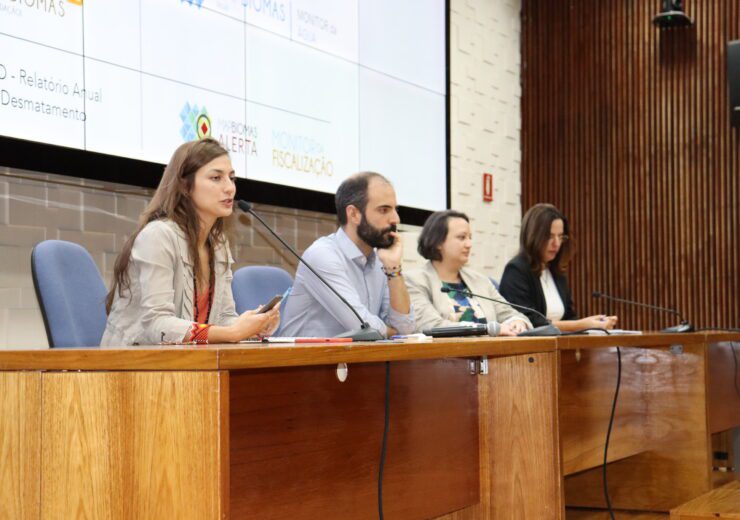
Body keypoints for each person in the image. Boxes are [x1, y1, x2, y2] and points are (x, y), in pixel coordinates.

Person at [102, 138, 279, 346]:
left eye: (231, 178)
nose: (229, 188)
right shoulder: (158, 236)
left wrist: (253, 326)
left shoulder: (218, 244)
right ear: (186, 186)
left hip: (184, 365)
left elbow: (223, 320)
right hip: (131, 366)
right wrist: (232, 333)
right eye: (216, 178)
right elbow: (156, 326)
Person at [278, 172, 415, 338]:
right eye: (384, 210)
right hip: (306, 361)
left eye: (395, 210)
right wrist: (392, 333)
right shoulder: (322, 255)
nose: (395, 219)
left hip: (354, 360)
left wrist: (394, 268)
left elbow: (406, 328)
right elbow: (363, 327)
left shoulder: (382, 260)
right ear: (354, 214)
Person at [405, 210, 531, 335]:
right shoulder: (414, 281)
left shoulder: (481, 281)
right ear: (438, 242)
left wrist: (518, 322)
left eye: (470, 237)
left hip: (489, 353)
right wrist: (489, 329)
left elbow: (510, 314)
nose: (469, 244)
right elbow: (430, 326)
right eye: (462, 237)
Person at [499, 203, 618, 331]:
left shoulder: (556, 272)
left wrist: (594, 325)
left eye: (560, 237)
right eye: (550, 236)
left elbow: (569, 316)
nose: (557, 243)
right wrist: (584, 324)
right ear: (533, 236)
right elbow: (529, 321)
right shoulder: (516, 271)